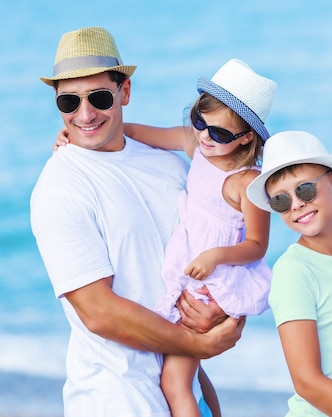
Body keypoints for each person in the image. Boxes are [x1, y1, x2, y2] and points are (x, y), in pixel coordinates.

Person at [31, 27, 244, 417]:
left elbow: (222, 234)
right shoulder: (60, 187)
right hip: (116, 398)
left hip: (187, 386)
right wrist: (198, 344)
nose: (85, 113)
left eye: (98, 97)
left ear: (124, 92)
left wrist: (227, 313)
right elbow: (98, 311)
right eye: (68, 101)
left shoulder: (168, 163)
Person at [121, 58, 276, 417]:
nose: (205, 136)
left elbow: (257, 246)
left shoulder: (247, 182)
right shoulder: (196, 145)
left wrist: (216, 257)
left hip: (209, 284)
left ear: (246, 137)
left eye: (219, 133)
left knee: (176, 382)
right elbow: (138, 132)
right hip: (185, 270)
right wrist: (82, 134)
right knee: (184, 378)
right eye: (199, 121)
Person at [246, 131, 332, 416]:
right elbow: (307, 382)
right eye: (281, 201)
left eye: (305, 190)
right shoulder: (294, 271)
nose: (296, 204)